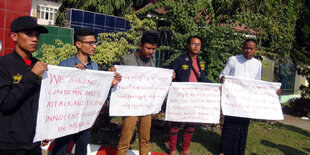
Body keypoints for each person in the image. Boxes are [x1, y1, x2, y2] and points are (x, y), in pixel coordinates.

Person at [52, 28, 121, 155]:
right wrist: (70, 75)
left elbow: (95, 93)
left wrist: (109, 84)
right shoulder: (66, 65)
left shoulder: (94, 67)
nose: (94, 46)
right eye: (90, 43)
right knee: (61, 148)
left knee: (81, 148)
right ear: (78, 44)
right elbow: (56, 92)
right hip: (66, 117)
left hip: (85, 118)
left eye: (95, 43)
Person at [0, 16, 48, 155]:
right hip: (9, 147)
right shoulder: (3, 65)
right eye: (29, 34)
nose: (35, 39)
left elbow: (44, 103)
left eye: (37, 35)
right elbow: (6, 103)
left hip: (33, 144)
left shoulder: (38, 65)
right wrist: (31, 75)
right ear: (14, 36)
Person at [116, 31, 159, 155]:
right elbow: (118, 78)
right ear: (140, 45)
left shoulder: (153, 62)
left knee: (145, 140)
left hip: (146, 107)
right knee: (125, 141)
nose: (151, 51)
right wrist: (113, 72)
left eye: (154, 49)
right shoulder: (126, 59)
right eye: (148, 48)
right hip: (130, 107)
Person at [168, 35, 211, 155]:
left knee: (191, 124)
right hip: (180, 96)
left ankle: (185, 149)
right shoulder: (179, 60)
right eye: (193, 44)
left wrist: (215, 86)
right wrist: (171, 76)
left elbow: (202, 79)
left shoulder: (201, 63)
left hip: (194, 98)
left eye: (198, 44)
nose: (196, 46)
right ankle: (172, 149)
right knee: (175, 123)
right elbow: (170, 74)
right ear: (188, 45)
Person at [219, 39, 261, 155]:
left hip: (246, 101)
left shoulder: (258, 64)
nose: (248, 50)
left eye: (251, 48)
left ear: (255, 50)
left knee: (243, 125)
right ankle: (224, 151)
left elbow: (258, 83)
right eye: (246, 47)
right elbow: (223, 74)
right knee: (229, 124)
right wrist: (222, 79)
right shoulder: (233, 60)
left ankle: (239, 151)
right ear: (242, 48)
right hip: (232, 99)